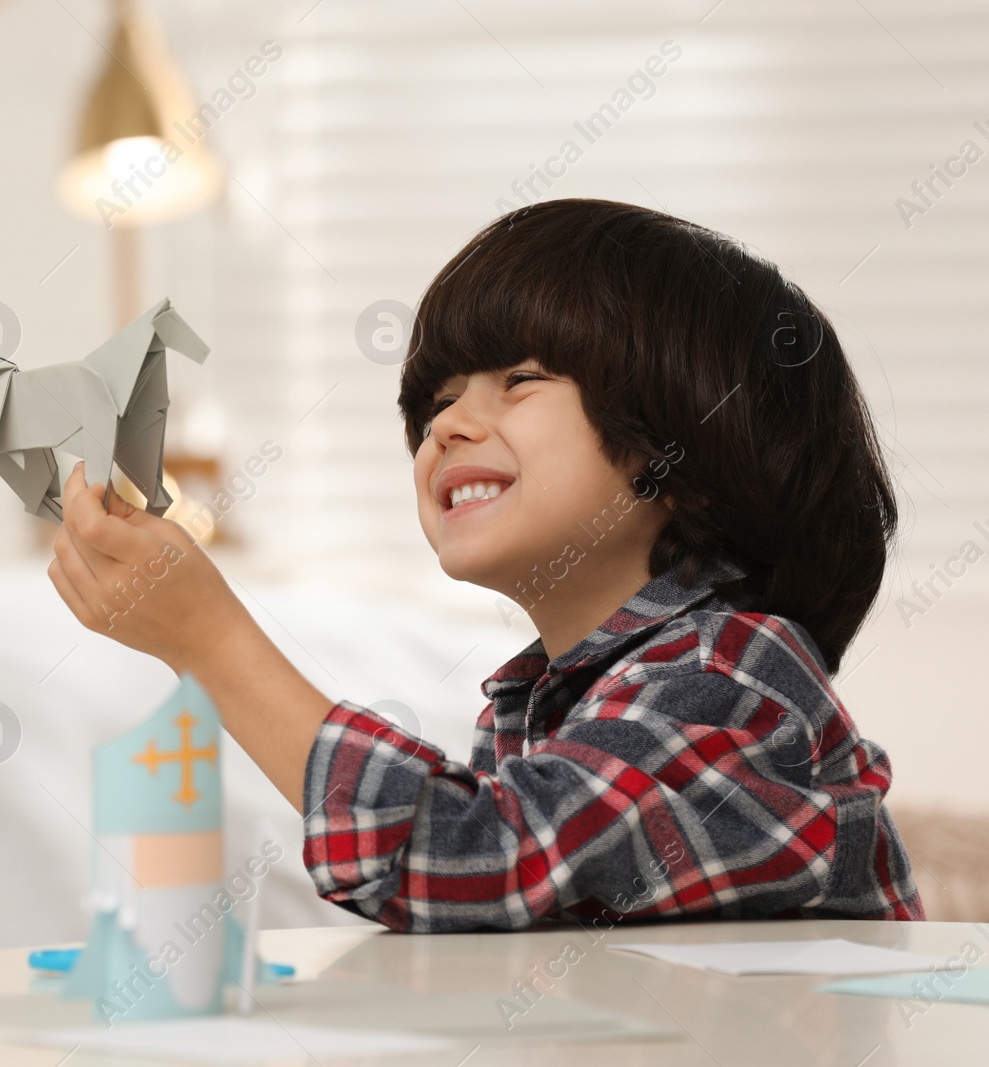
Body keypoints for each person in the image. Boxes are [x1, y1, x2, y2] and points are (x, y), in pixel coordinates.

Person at [46, 198, 924, 933]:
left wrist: (210, 642)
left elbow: (477, 858)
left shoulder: (733, 670)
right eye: (438, 400)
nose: (448, 426)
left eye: (522, 377)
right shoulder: (536, 710)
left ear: (684, 454)